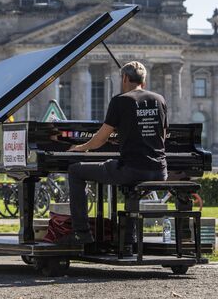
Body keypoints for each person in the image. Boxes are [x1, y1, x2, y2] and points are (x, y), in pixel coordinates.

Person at [61, 61, 168, 245]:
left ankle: (82, 233)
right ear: (144, 79)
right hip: (160, 170)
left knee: (76, 171)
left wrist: (80, 147)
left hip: (132, 170)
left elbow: (100, 140)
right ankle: (129, 238)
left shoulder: (121, 100)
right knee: (128, 182)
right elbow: (162, 136)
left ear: (125, 78)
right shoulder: (159, 99)